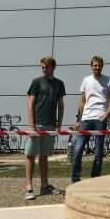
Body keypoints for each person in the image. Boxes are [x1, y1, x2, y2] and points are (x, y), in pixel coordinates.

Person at [24, 56, 65, 200]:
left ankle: (44, 185)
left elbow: (61, 106)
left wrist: (59, 124)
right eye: (42, 67)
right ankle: (28, 187)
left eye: (46, 67)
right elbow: (30, 104)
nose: (44, 70)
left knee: (44, 156)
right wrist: (31, 126)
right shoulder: (36, 82)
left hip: (50, 125)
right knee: (30, 155)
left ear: (53, 67)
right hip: (37, 124)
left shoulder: (59, 84)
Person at [71, 56, 110, 183]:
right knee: (78, 149)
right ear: (91, 66)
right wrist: (78, 119)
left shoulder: (108, 80)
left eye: (99, 65)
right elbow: (82, 101)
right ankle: (75, 179)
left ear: (102, 66)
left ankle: (94, 180)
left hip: (100, 119)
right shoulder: (86, 80)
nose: (97, 67)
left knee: (98, 152)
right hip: (86, 119)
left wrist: (106, 115)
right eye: (95, 65)